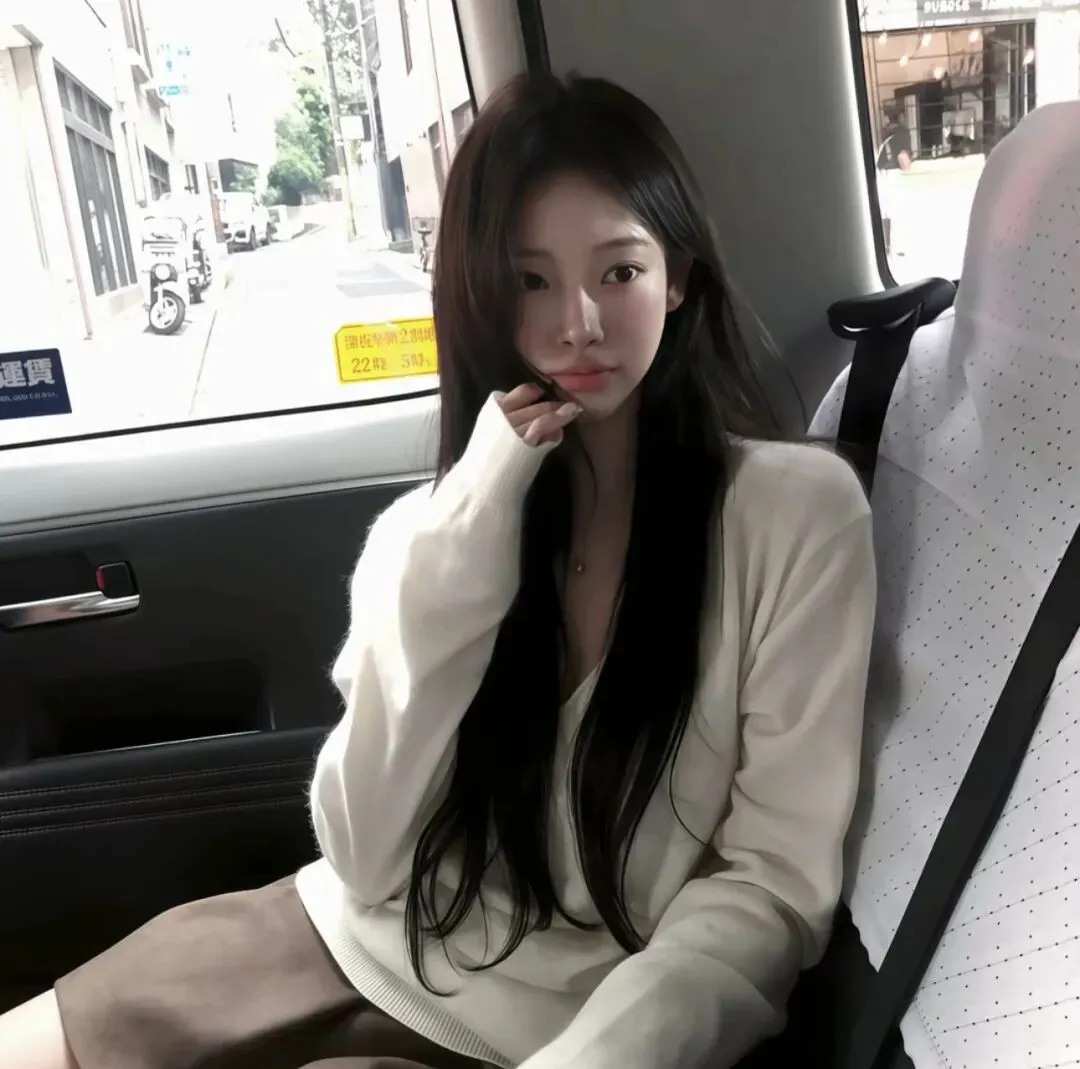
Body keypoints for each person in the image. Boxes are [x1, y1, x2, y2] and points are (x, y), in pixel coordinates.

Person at [0, 72, 876, 1069]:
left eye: (619, 272)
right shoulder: (428, 531)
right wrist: (472, 526)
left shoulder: (796, 516)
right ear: (480, 296)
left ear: (677, 278)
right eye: (530, 281)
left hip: (561, 1027)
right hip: (335, 931)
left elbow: (769, 888)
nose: (577, 322)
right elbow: (363, 853)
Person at [877, 108, 913, 256]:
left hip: (883, 172)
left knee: (886, 212)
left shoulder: (885, 132)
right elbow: (903, 159)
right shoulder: (902, 132)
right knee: (894, 212)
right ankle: (891, 247)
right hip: (893, 173)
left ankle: (887, 246)